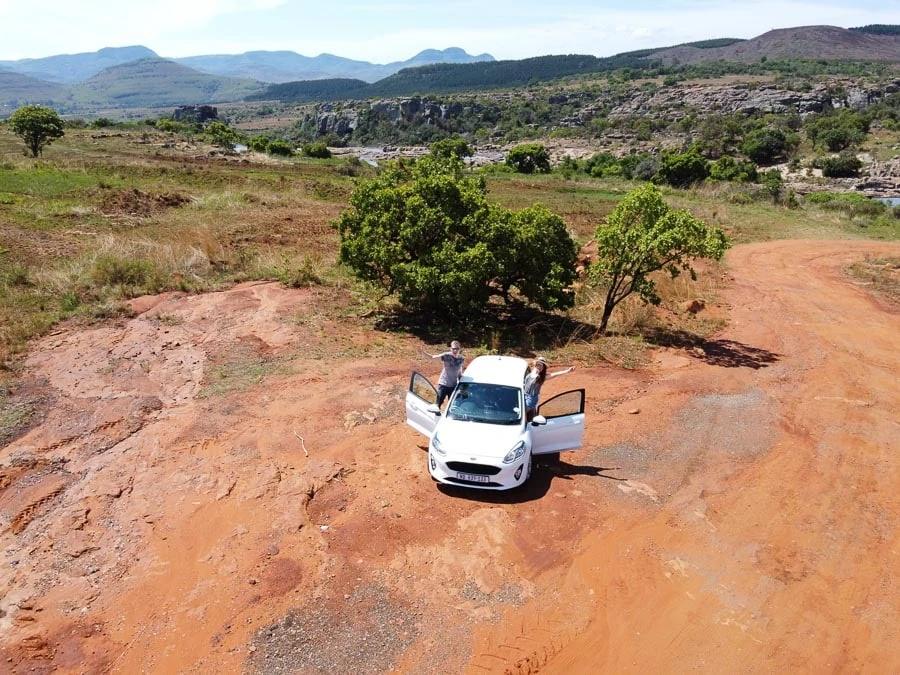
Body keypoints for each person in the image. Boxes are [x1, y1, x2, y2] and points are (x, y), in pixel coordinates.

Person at [422, 340, 465, 407]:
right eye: (453, 349)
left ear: (460, 349)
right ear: (450, 349)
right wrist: (423, 352)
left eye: (457, 349)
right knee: (438, 404)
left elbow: (459, 373)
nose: (455, 350)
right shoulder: (446, 356)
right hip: (443, 385)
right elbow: (432, 357)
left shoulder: (461, 359)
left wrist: (462, 386)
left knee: (452, 405)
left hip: (453, 386)